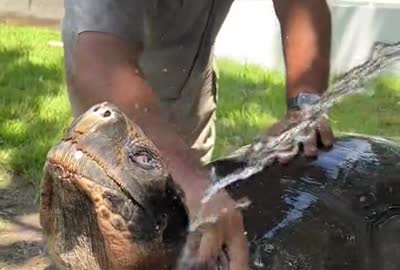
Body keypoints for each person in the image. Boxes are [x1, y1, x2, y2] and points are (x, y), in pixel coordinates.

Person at [61, 0, 334, 269]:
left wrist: (305, 105)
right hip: (110, 76)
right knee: (116, 232)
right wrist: (192, 181)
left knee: (193, 225)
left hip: (190, 76)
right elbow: (101, 62)